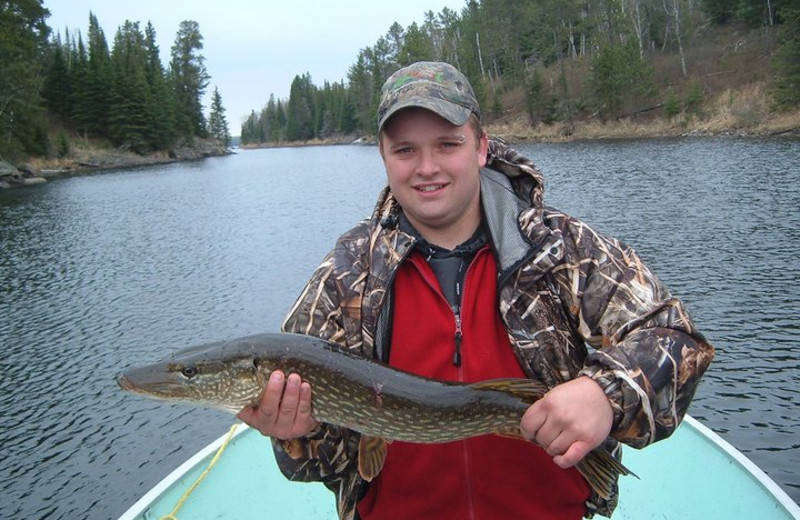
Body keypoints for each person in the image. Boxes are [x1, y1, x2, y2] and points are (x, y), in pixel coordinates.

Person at [238, 61, 715, 519]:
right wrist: (298, 436)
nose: (427, 167)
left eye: (448, 144)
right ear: (383, 155)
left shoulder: (558, 248)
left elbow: (677, 337)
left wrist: (604, 394)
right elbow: (326, 464)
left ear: (482, 147)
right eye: (405, 150)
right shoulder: (347, 273)